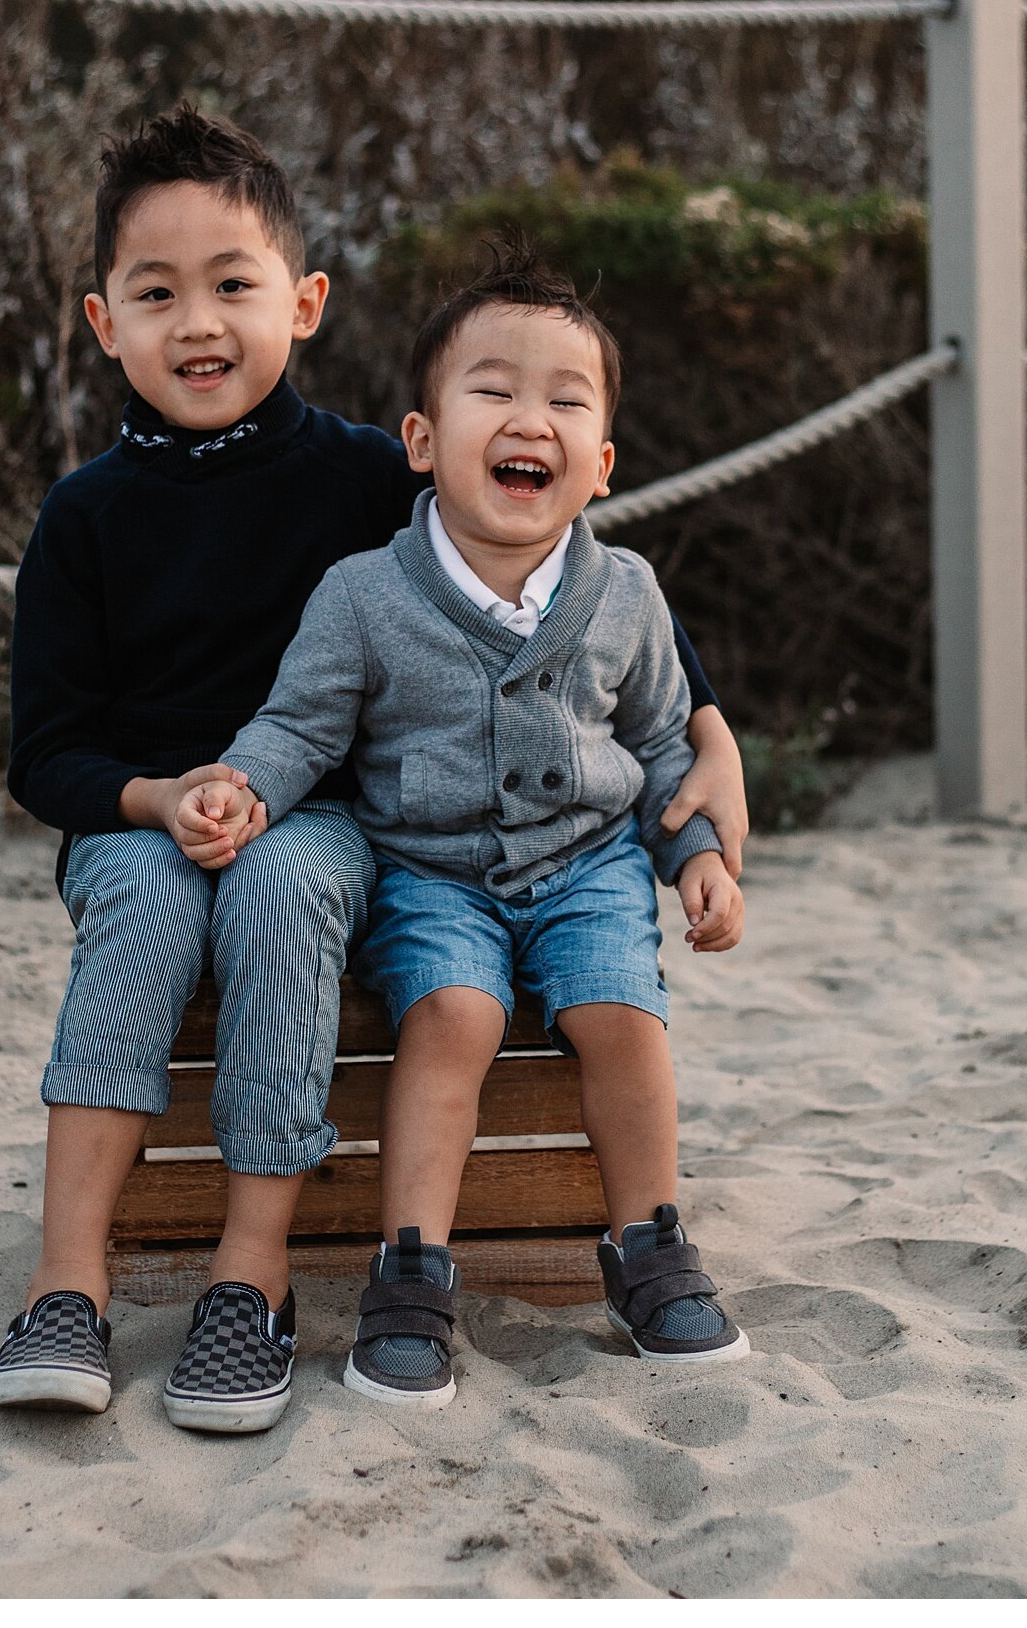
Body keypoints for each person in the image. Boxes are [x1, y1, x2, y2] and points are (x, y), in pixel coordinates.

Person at [0, 105, 747, 1432]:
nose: (202, 322)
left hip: (323, 817)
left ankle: (253, 1273)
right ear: (104, 322)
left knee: (286, 886)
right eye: (156, 294)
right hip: (143, 816)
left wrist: (716, 740)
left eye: (235, 285)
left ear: (305, 301)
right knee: (151, 902)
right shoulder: (84, 518)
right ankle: (69, 1286)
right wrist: (161, 798)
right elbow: (45, 753)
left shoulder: (362, 475)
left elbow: (575, 585)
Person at [189, 240, 749, 1408]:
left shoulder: (629, 593)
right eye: (492, 388)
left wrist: (693, 855)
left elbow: (657, 746)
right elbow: (300, 730)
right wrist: (245, 785)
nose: (526, 418)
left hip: (592, 865)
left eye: (563, 398)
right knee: (454, 1015)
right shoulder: (363, 595)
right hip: (428, 872)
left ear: (598, 463)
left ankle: (650, 1244)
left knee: (620, 1015)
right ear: (423, 440)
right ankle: (412, 1270)